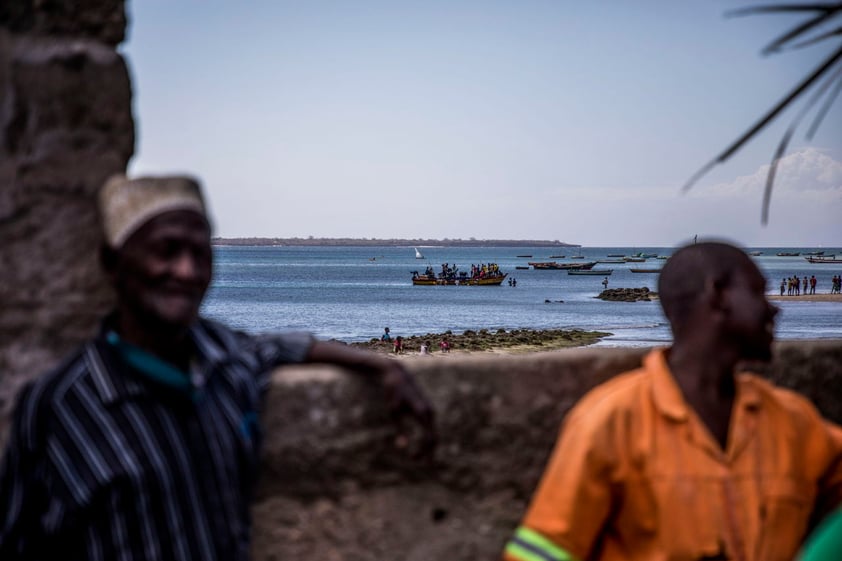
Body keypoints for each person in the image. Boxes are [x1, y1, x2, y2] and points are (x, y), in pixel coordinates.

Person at [0, 175, 435, 561]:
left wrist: (383, 368)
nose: (187, 271)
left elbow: (279, 345)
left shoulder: (225, 359)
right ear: (113, 264)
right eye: (166, 252)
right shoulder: (60, 407)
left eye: (200, 253)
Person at [503, 241, 842, 561]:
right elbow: (542, 550)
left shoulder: (794, 421)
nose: (774, 307)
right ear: (718, 295)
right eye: (756, 291)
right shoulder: (610, 421)